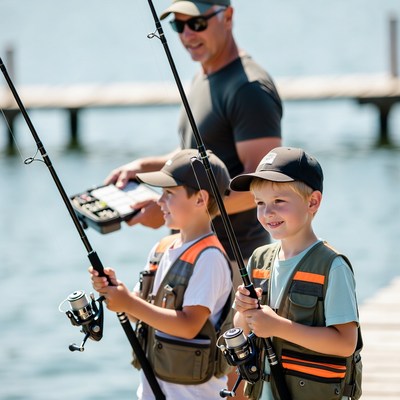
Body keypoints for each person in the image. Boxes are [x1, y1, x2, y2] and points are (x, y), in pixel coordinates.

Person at [104, 0, 283, 292]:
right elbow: (198, 153)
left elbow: (262, 189)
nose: (187, 35)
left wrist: (170, 213)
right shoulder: (204, 76)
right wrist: (141, 167)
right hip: (193, 256)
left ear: (228, 16)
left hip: (235, 265)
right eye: (178, 25)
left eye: (197, 23)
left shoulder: (249, 89)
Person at [89, 149, 234, 400]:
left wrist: (129, 302)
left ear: (200, 199)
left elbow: (189, 326)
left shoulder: (210, 257)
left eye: (169, 193)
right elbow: (140, 314)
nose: (159, 202)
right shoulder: (162, 248)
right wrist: (117, 294)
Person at [230, 147, 362, 400]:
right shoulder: (258, 259)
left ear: (312, 202)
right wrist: (244, 312)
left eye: (279, 201)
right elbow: (243, 327)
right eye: (260, 203)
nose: (267, 212)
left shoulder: (332, 266)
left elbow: (345, 343)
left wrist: (277, 327)